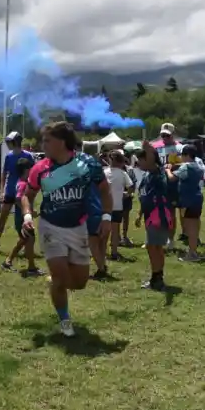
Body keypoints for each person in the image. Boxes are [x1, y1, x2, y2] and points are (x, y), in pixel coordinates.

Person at [21, 121, 93, 337]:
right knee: (61, 278)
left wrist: (106, 215)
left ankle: (56, 282)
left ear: (62, 143)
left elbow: (102, 190)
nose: (43, 145)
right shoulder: (40, 168)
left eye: (47, 141)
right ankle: (64, 321)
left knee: (80, 283)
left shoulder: (84, 165)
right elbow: (27, 194)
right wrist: (26, 215)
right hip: (50, 226)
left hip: (78, 227)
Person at [0, 132, 34, 255]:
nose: (7, 144)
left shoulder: (28, 156)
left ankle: (25, 246)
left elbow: (33, 173)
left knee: (21, 222)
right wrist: (2, 191)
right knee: (2, 219)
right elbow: (4, 174)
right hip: (10, 191)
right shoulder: (9, 156)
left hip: (22, 193)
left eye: (9, 142)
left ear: (15, 142)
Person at [135, 142, 173, 291]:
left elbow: (152, 159)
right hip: (150, 216)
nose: (138, 163)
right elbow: (144, 197)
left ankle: (157, 279)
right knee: (154, 247)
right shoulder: (147, 176)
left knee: (153, 247)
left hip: (159, 216)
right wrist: (139, 214)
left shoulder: (157, 172)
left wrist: (148, 149)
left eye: (141, 159)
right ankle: (157, 277)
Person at [2, 157, 42, 275]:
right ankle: (31, 267)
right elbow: (18, 199)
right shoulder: (23, 184)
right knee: (30, 239)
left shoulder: (22, 182)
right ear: (26, 170)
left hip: (22, 217)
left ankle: (8, 261)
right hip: (21, 218)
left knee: (23, 240)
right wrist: (28, 212)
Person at [77, 150, 112, 280]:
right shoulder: (96, 178)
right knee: (101, 241)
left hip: (91, 210)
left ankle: (101, 269)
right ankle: (102, 266)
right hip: (101, 209)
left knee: (93, 241)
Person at [167, 145, 204, 262]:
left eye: (182, 155)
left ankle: (192, 253)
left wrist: (168, 170)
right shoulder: (198, 166)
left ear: (187, 155)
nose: (181, 157)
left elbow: (172, 178)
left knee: (190, 227)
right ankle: (194, 250)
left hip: (188, 199)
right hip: (197, 197)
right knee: (195, 224)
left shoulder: (185, 168)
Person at [156, 123, 184, 249]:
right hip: (160, 183)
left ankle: (171, 239)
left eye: (167, 135)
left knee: (172, 212)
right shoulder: (157, 148)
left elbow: (185, 164)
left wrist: (173, 166)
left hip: (174, 184)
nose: (164, 137)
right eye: (163, 135)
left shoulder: (180, 148)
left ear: (172, 135)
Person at [104, 151, 133, 261]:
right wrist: (127, 194)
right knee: (115, 230)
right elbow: (130, 186)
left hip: (105, 206)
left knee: (104, 230)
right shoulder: (122, 173)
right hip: (117, 206)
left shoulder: (104, 172)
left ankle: (103, 251)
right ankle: (114, 252)